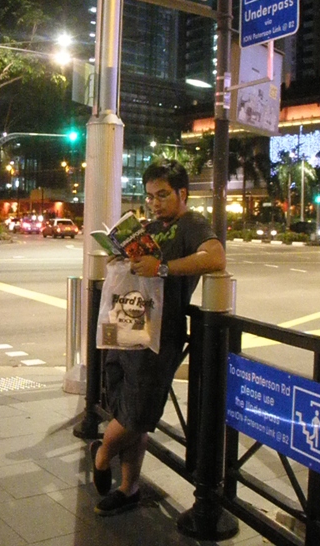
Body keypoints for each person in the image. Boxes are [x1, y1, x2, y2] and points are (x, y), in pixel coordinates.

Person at [91, 159, 226, 516]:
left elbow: (215, 257)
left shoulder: (191, 224)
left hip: (159, 338)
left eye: (163, 195)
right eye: (150, 196)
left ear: (183, 193)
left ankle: (102, 454)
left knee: (137, 414)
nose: (154, 202)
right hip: (127, 326)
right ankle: (129, 488)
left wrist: (162, 267)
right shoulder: (149, 228)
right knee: (127, 411)